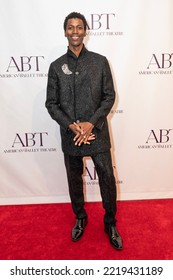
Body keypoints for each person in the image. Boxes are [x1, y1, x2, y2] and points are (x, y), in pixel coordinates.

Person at [45, 12, 123, 250]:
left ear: (86, 31)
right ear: (65, 31)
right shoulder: (56, 66)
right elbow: (51, 103)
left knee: (107, 179)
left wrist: (91, 123)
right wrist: (71, 125)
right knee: (73, 179)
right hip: (71, 134)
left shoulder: (100, 61)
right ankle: (80, 217)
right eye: (71, 27)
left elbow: (109, 96)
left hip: (96, 131)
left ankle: (110, 222)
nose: (75, 31)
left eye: (79, 27)